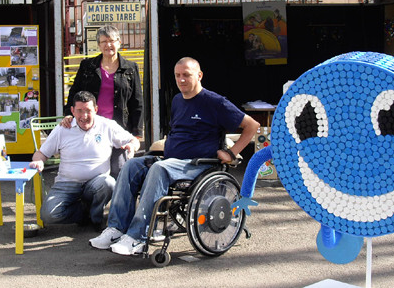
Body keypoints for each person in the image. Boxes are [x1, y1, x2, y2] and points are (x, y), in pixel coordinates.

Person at [89, 57, 260, 256]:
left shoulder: (215, 102)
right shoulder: (178, 100)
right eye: (177, 75)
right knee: (131, 165)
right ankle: (116, 229)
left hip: (198, 166)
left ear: (199, 75)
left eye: (186, 75)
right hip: (172, 162)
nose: (181, 80)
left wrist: (232, 153)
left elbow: (252, 126)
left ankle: (137, 237)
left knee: (159, 169)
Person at [29, 91, 140, 229]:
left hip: (97, 183)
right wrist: (39, 161)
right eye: (79, 111)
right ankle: (85, 212)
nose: (84, 116)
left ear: (96, 109)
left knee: (108, 183)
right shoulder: (63, 128)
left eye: (88, 110)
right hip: (66, 184)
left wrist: (132, 146)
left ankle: (96, 219)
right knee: (48, 215)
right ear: (72, 111)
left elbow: (133, 140)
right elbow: (41, 153)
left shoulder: (107, 125)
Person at [62, 25, 143, 178]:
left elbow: (137, 101)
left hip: (118, 127)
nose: (108, 45)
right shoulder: (87, 66)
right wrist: (68, 114)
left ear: (119, 42)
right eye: (104, 41)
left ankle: (118, 201)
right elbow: (74, 93)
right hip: (90, 126)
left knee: (118, 169)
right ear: (98, 45)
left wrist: (136, 134)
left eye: (112, 40)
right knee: (92, 169)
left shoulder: (130, 68)